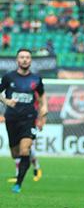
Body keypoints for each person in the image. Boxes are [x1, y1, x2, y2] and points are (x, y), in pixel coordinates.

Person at [0, 49, 47, 194]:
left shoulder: (36, 78)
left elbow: (42, 95)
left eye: (27, 57)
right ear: (17, 60)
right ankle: (30, 162)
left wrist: (43, 110)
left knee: (24, 149)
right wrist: (6, 101)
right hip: (12, 119)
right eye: (22, 57)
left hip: (29, 119)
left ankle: (18, 184)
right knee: (16, 153)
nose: (25, 59)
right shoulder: (9, 77)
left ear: (31, 60)